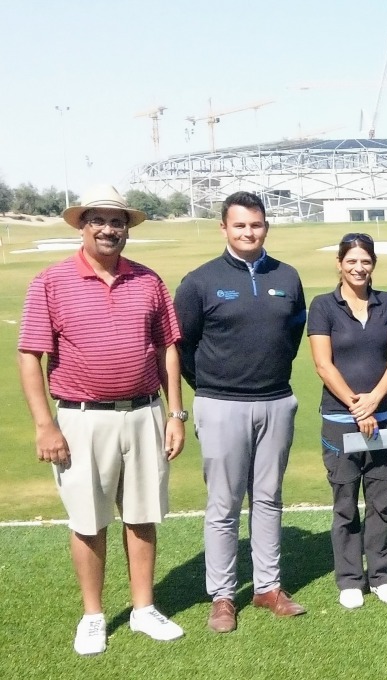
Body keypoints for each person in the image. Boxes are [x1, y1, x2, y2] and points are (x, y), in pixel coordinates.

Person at [18, 185, 187, 655]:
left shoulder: (148, 281)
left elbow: (167, 349)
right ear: (82, 226)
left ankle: (143, 608)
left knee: (143, 515)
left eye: (118, 222)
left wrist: (175, 413)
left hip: (145, 412)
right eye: (98, 220)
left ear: (127, 230)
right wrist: (44, 425)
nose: (109, 229)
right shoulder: (51, 281)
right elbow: (30, 355)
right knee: (88, 520)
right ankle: (93, 616)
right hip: (81, 418)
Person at [174, 191, 308, 632]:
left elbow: (291, 336)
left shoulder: (287, 276)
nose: (249, 233)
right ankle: (223, 595)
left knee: (269, 498)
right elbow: (182, 346)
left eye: (256, 225)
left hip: (276, 401)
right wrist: (208, 387)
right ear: (224, 228)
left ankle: (268, 587)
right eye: (240, 225)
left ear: (265, 226)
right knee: (224, 504)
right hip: (221, 404)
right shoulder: (200, 281)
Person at [309, 233, 387, 608]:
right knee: (345, 500)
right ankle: (350, 579)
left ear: (373, 264)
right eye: (351, 260)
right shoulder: (323, 306)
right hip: (341, 419)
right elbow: (323, 364)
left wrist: (375, 401)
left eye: (365, 261)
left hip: (385, 416)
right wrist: (357, 407)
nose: (358, 267)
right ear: (339, 264)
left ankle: (381, 575)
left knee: (381, 501)